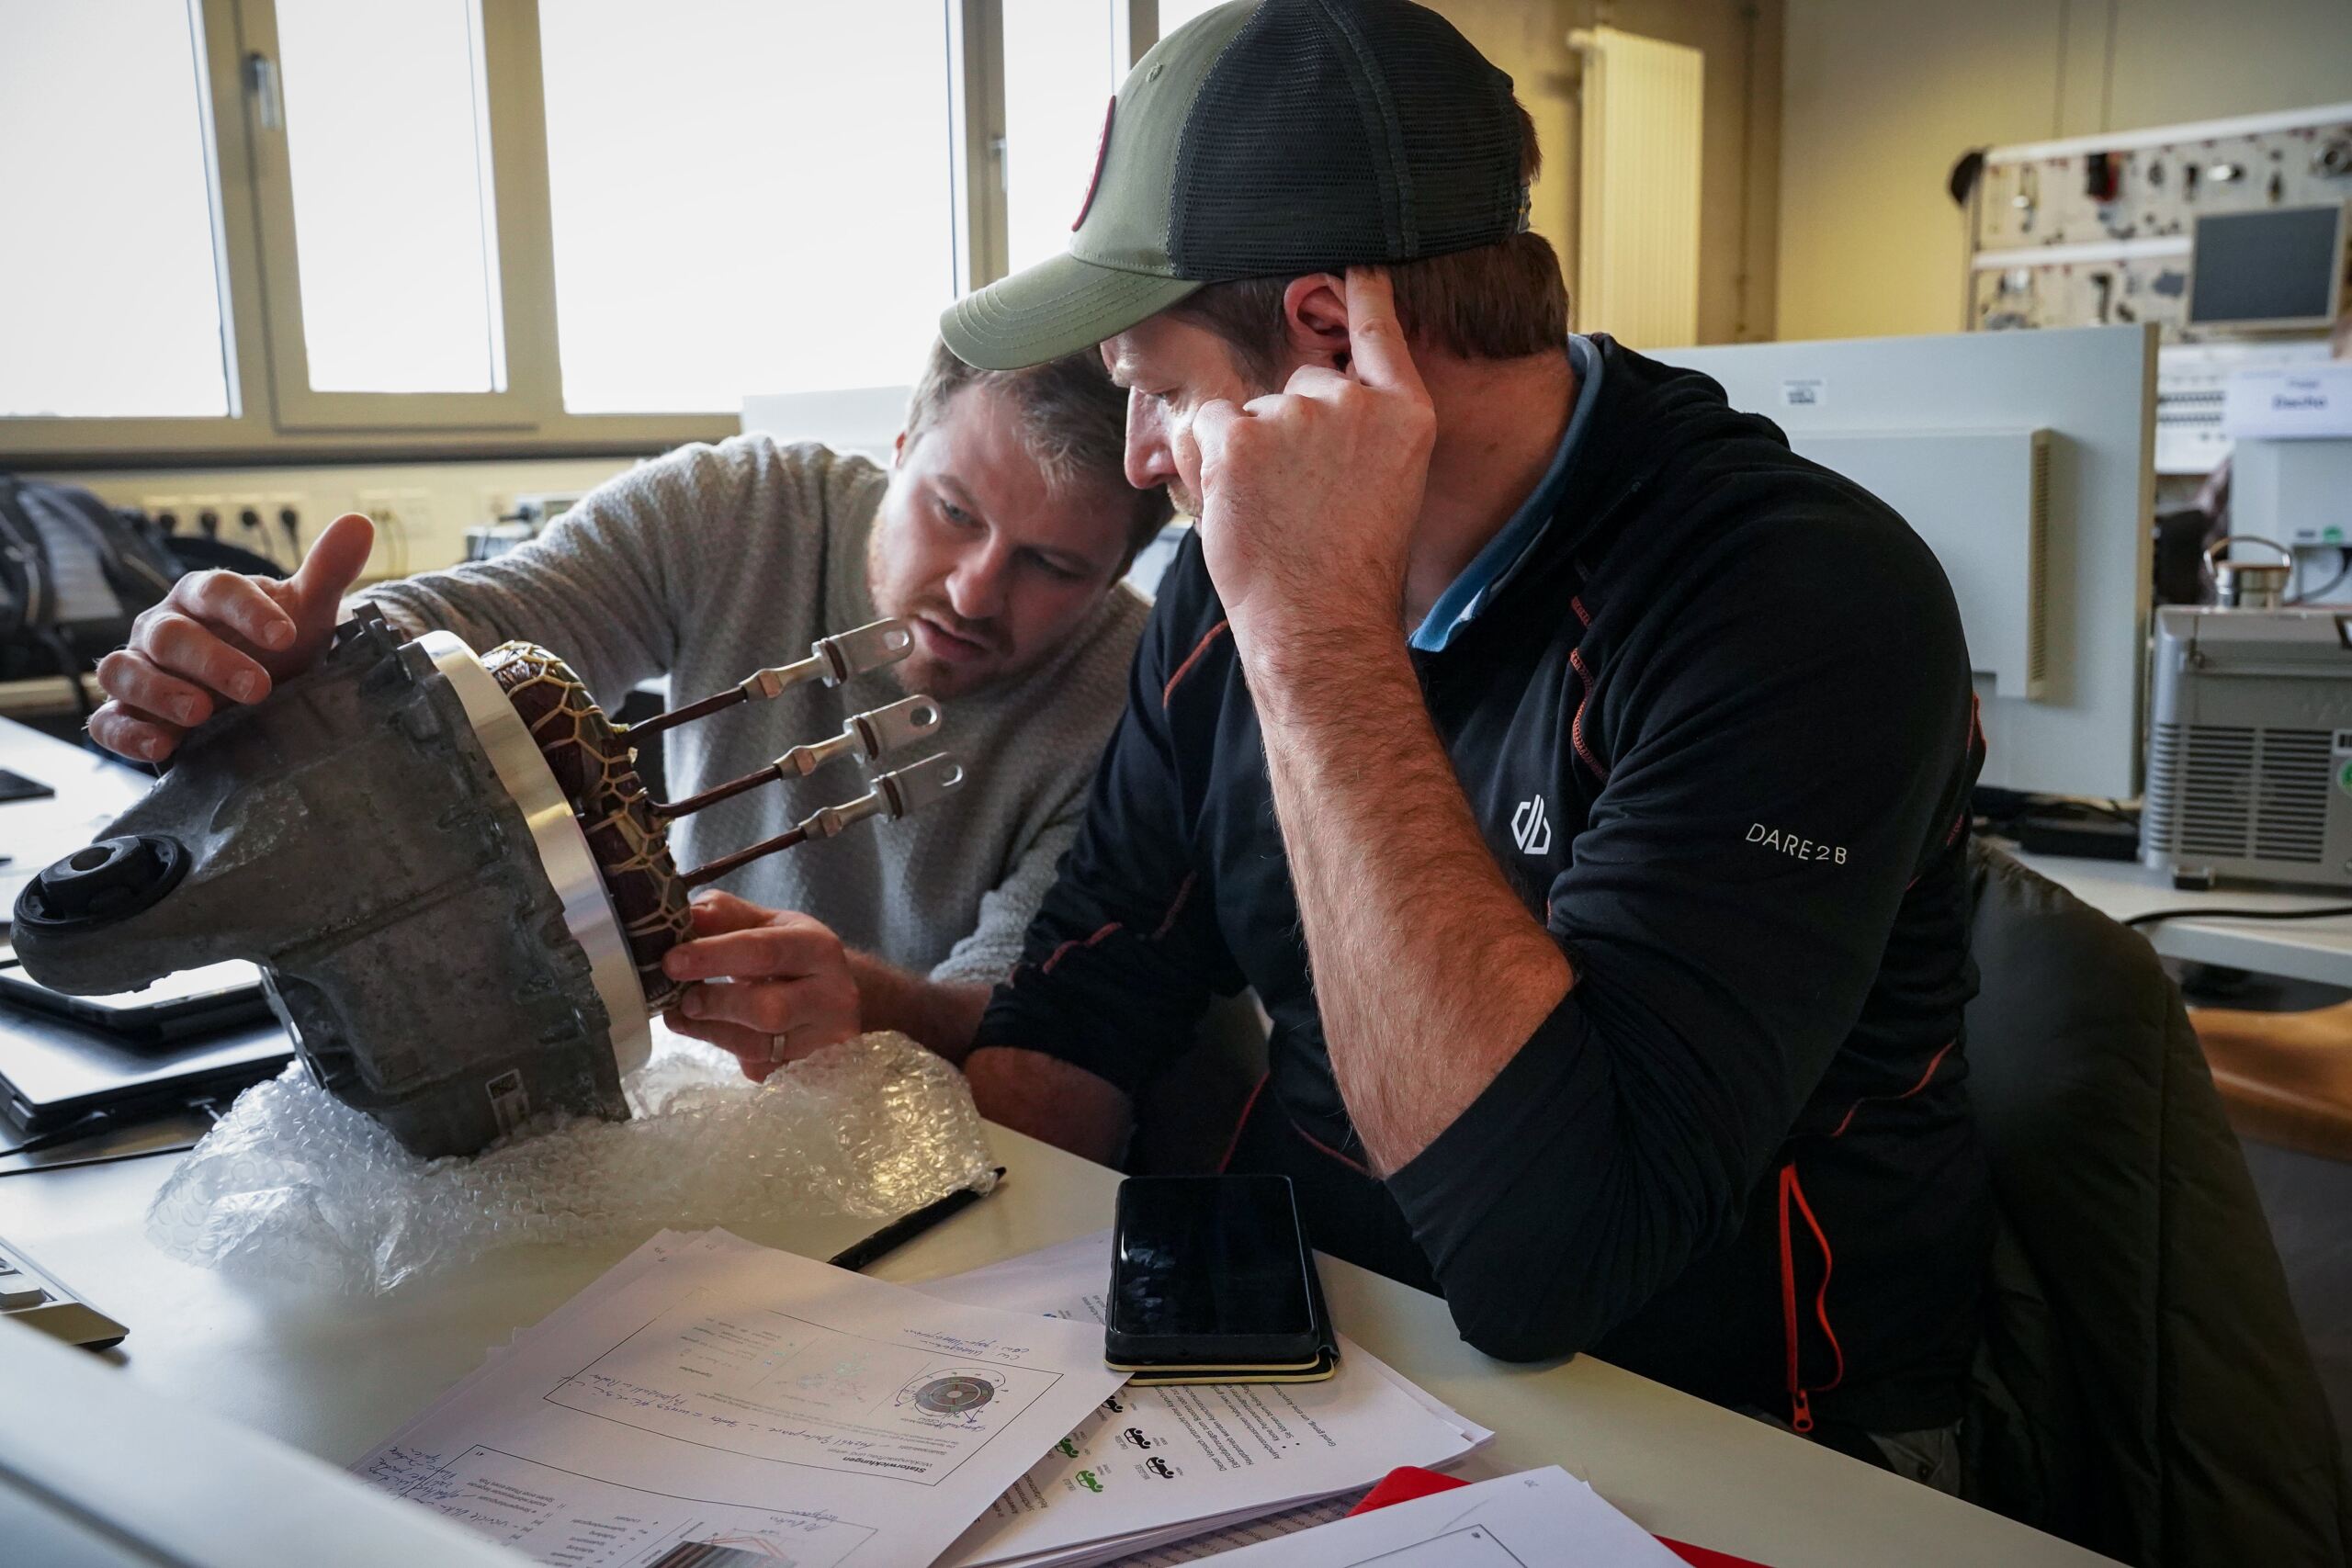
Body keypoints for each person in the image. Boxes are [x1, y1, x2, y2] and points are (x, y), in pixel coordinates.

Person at [939, 0, 1990, 1489]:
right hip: (1331, 1374)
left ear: (1320, 336)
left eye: (1158, 388)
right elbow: (1081, 1015)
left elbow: (1552, 1260)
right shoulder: (1214, 593)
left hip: (1741, 1436)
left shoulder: (1798, 600)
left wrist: (1314, 627)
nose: (1141, 465)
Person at [87, 342, 1170, 1075]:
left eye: (1052, 566)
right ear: (899, 447)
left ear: (1128, 564)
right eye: (951, 511)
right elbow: (486, 619)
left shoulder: (1140, 706)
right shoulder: (741, 511)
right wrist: (281, 651)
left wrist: (867, 1005)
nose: (976, 592)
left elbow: (1027, 1032)